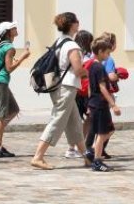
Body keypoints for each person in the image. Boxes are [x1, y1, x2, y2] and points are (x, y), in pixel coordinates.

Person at [31, 12, 90, 170]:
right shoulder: (72, 46)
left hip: (57, 86)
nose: (79, 23)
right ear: (72, 25)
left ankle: (87, 158)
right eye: (77, 21)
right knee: (57, 120)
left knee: (75, 122)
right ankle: (38, 157)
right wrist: (92, 71)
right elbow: (78, 70)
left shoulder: (59, 42)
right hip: (67, 87)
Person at [0, 21, 30, 158]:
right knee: (3, 115)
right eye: (13, 28)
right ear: (8, 32)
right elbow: (9, 68)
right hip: (1, 83)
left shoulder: (1, 46)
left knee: (14, 109)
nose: (16, 29)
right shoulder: (9, 47)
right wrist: (23, 57)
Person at [85, 38, 121, 172]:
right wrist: (113, 105)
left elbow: (89, 86)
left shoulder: (92, 66)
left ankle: (93, 151)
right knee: (102, 133)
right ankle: (97, 161)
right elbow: (103, 88)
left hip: (94, 103)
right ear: (100, 52)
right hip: (100, 104)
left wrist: (89, 104)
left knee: (109, 130)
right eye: (107, 53)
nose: (108, 56)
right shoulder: (99, 67)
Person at [70, 30, 94, 159]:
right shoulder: (87, 57)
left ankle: (74, 147)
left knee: (77, 120)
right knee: (85, 120)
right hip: (84, 91)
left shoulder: (74, 53)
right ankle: (78, 146)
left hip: (76, 90)